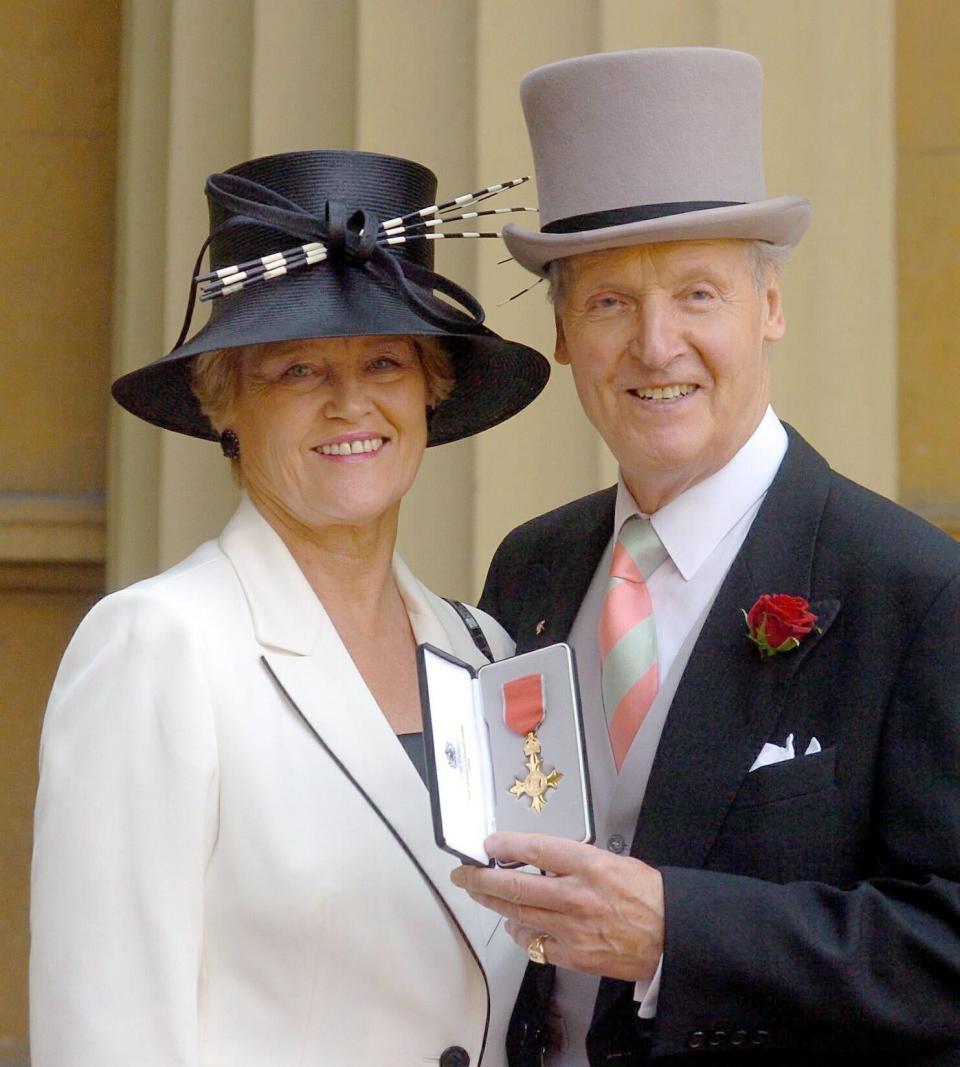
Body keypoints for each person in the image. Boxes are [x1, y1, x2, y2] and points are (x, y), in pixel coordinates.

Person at [450, 48, 960, 1065]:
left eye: (696, 294)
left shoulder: (913, 588)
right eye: (608, 304)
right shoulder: (533, 570)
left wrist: (679, 930)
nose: (655, 345)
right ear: (561, 334)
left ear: (769, 307)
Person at [30, 149, 549, 1067]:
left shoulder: (484, 650)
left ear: (430, 390)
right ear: (222, 400)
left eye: (386, 360)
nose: (351, 402)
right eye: (299, 370)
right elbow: (106, 1032)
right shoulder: (162, 646)